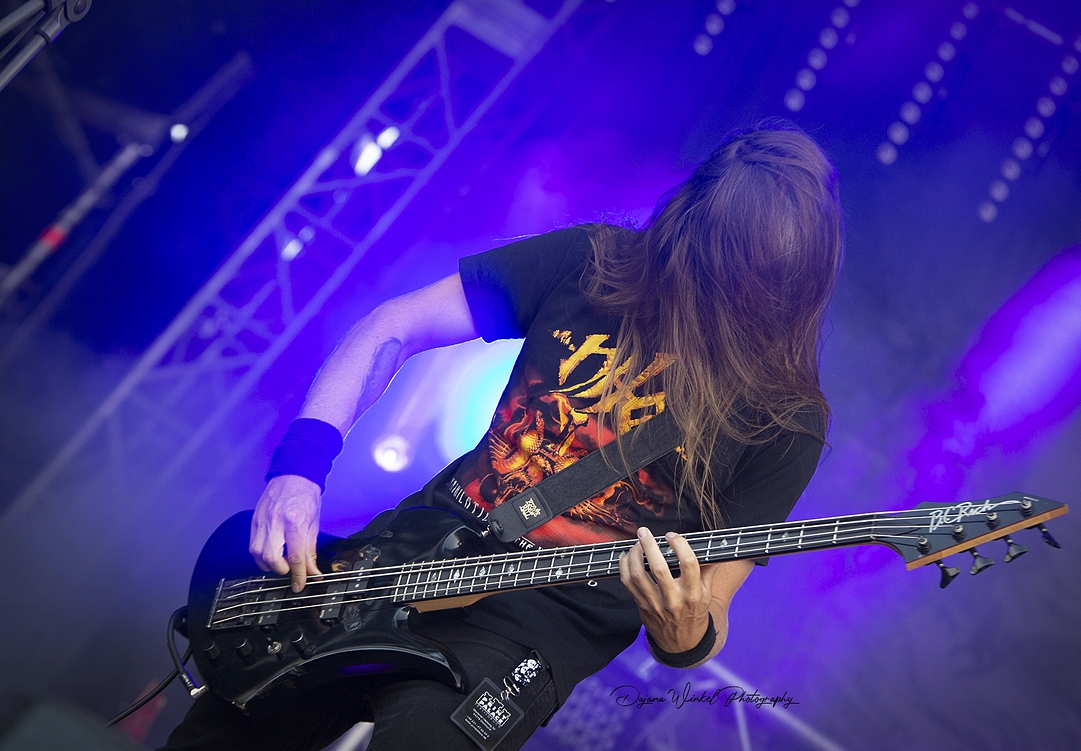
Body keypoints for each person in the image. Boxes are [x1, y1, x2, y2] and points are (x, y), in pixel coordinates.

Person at [160, 123, 844, 750]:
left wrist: (683, 632)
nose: (725, 287)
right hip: (403, 560)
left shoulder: (783, 418)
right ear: (687, 223)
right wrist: (300, 469)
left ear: (794, 282)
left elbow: (711, 609)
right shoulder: (596, 263)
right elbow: (396, 326)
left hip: (532, 631)